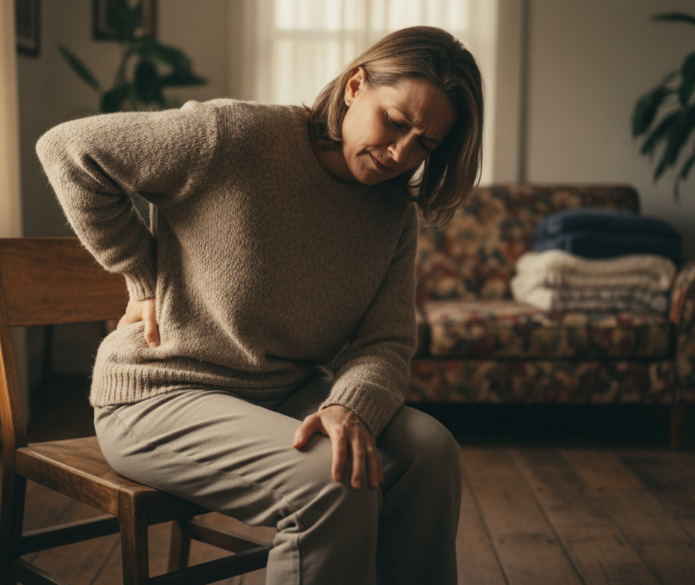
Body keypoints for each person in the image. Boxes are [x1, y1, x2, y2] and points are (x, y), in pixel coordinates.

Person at [37, 25, 484, 585]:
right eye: (395, 121)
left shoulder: (392, 213)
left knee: (431, 453)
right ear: (355, 86)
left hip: (280, 395)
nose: (402, 153)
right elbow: (69, 149)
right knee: (331, 481)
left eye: (426, 143)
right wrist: (140, 274)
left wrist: (350, 404)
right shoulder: (235, 135)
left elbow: (386, 341)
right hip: (158, 393)